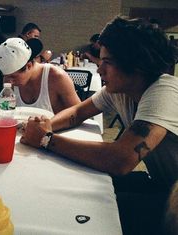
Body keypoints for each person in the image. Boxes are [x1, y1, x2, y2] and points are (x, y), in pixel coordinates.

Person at [20, 16, 178, 235]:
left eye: (107, 62)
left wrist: (46, 140)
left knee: (95, 210)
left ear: (136, 64)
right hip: (163, 184)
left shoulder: (164, 91)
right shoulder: (120, 90)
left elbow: (121, 159)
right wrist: (45, 125)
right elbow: (77, 112)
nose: (99, 70)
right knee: (84, 186)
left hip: (173, 200)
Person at [0, 37, 80, 114]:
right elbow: (5, 114)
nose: (9, 81)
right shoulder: (8, 81)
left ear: (29, 66)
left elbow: (79, 114)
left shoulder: (57, 77)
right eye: (5, 76)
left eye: (13, 76)